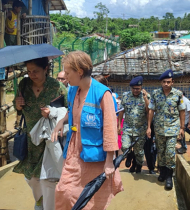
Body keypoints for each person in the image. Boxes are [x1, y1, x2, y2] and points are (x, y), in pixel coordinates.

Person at [52, 51, 123, 209]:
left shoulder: (102, 94)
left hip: (94, 155)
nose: (65, 76)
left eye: (68, 73)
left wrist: (109, 161)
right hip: (74, 150)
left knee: (91, 197)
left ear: (79, 72)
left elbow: (110, 129)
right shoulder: (73, 90)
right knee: (64, 191)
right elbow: (71, 111)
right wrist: (60, 123)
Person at [14, 57, 68, 210]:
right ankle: (40, 200)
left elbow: (69, 112)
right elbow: (17, 107)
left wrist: (53, 112)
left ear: (45, 69)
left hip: (50, 139)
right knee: (31, 178)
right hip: (31, 139)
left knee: (48, 177)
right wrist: (17, 106)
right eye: (29, 71)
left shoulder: (57, 87)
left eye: (35, 71)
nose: (32, 74)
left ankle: (47, 205)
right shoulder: (23, 85)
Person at [147, 69, 185, 190]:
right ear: (161, 82)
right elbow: (151, 110)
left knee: (169, 152)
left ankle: (169, 176)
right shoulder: (155, 94)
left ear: (172, 82)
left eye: (168, 82)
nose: (166, 84)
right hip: (159, 129)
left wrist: (182, 128)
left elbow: (182, 111)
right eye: (164, 82)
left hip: (172, 128)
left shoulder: (178, 94)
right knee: (161, 152)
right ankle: (162, 172)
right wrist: (149, 127)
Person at [118, 76, 150, 174]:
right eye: (134, 88)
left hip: (140, 129)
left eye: (138, 89)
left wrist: (145, 98)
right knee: (125, 146)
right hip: (128, 127)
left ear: (141, 88)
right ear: (131, 88)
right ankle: (130, 156)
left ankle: (138, 165)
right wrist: (119, 125)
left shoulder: (146, 97)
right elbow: (121, 111)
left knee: (139, 152)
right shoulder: (125, 96)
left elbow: (149, 111)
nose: (136, 90)